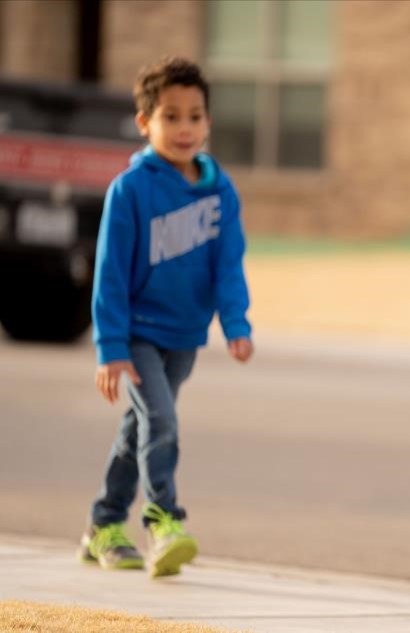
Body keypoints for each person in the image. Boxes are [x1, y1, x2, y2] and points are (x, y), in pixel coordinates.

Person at [78, 56, 253, 578]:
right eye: (170, 116)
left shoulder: (219, 191)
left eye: (194, 117)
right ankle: (163, 520)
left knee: (140, 428)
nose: (184, 128)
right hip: (135, 335)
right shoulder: (131, 190)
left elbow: (228, 265)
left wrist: (236, 324)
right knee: (161, 422)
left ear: (208, 122)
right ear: (144, 123)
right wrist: (110, 348)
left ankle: (104, 524)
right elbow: (109, 273)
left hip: (183, 337)